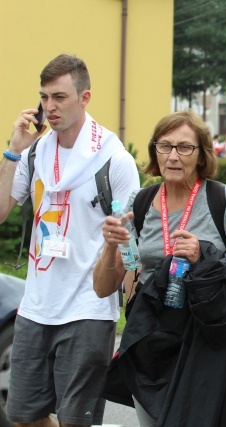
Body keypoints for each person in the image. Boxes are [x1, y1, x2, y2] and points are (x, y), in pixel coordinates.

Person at [93, 111, 226, 426]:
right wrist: (110, 246)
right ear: (155, 151)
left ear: (201, 155)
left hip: (204, 341)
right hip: (151, 340)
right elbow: (104, 287)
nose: (173, 156)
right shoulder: (141, 202)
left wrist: (205, 255)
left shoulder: (221, 199)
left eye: (185, 147)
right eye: (165, 146)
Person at [0, 54, 139, 427]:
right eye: (44, 97)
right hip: (36, 307)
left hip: (88, 309)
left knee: (77, 420)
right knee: (23, 415)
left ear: (85, 97)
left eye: (59, 97)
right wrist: (15, 148)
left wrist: (133, 300)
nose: (49, 107)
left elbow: (131, 242)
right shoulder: (35, 151)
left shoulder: (113, 159)